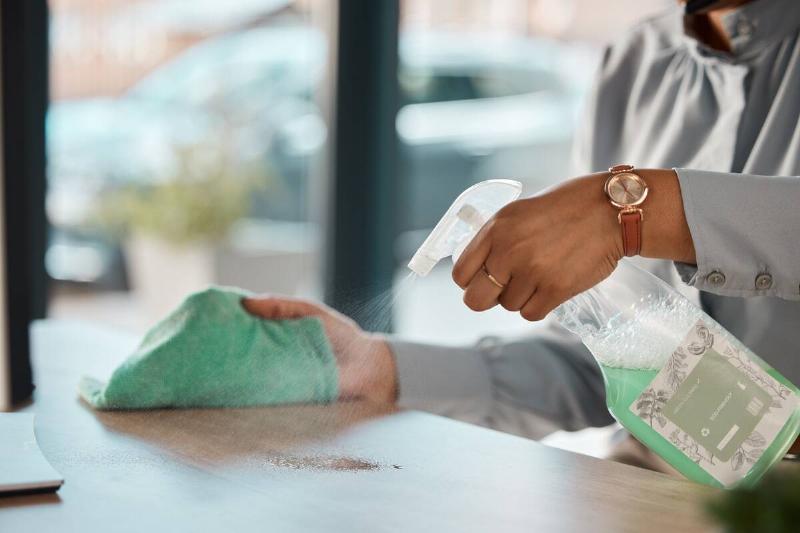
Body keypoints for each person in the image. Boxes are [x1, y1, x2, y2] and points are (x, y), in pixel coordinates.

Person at [245, 0, 800, 471]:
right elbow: (589, 370)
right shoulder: (636, 63)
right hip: (646, 498)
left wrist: (637, 209)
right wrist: (378, 368)